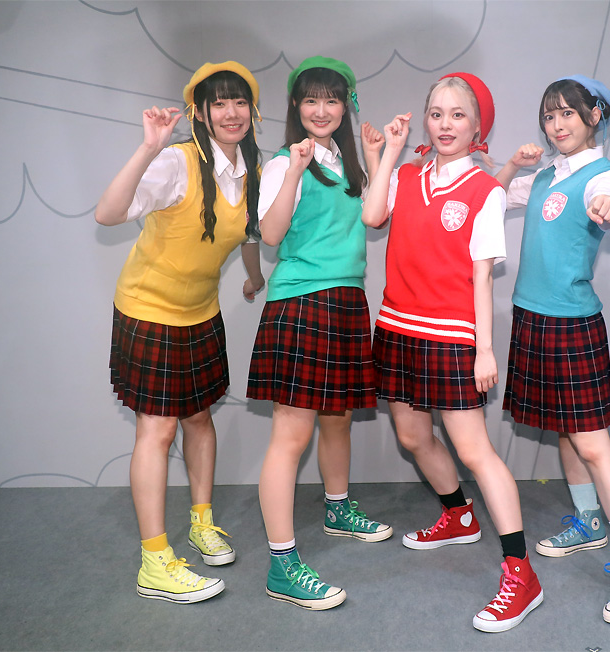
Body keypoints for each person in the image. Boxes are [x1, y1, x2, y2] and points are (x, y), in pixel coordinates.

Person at [360, 72, 542, 633]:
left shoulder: (486, 190)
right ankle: (459, 516)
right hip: (396, 328)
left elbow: (482, 278)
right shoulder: (406, 174)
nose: (445, 124)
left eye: (457, 114)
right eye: (436, 113)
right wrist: (389, 152)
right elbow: (371, 215)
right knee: (413, 437)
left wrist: (485, 350)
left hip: (451, 336)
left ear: (477, 126)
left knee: (475, 451)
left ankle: (521, 575)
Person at [95, 61, 265, 603]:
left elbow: (247, 229)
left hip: (200, 311)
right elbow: (107, 213)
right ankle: (155, 562)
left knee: (199, 417)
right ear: (200, 113)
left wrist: (255, 275)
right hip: (149, 311)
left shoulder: (251, 168)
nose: (231, 112)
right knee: (157, 430)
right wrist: (149, 147)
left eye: (240, 101)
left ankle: (201, 523)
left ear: (252, 110)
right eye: (219, 103)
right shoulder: (175, 162)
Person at [494, 75, 610, 625]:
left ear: (594, 116)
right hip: (530, 316)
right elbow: (494, 193)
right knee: (563, 429)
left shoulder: (603, 175)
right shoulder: (545, 175)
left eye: (567, 113)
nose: (556, 124)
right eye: (549, 114)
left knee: (592, 443)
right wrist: (509, 164)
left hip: (571, 324)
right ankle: (588, 523)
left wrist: (608, 203)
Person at [248, 56, 391, 611]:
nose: (322, 109)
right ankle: (282, 564)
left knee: (338, 419)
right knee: (291, 435)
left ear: (346, 106)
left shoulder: (347, 162)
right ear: (296, 106)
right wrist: (294, 169)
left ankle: (337, 508)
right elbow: (270, 235)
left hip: (347, 299)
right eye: (311, 99)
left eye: (332, 99)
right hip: (302, 301)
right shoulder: (285, 162)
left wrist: (377, 157)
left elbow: (376, 216)